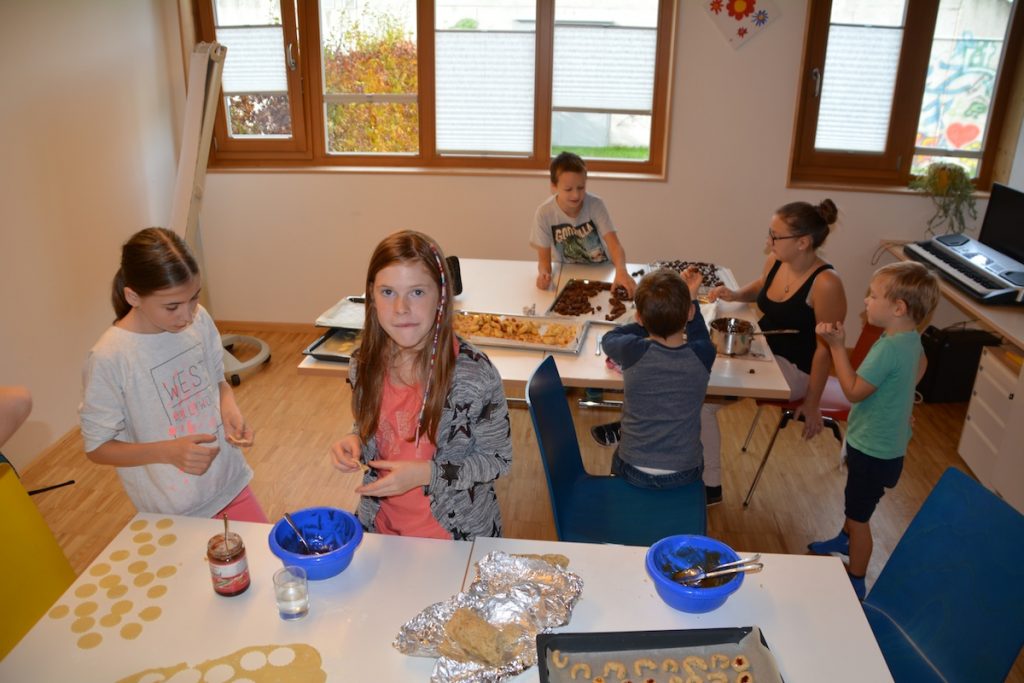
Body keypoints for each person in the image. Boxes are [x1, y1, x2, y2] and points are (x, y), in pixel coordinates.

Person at [329, 230, 513, 540]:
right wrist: (355, 440)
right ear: (371, 296)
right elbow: (376, 425)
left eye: (416, 292)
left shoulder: (474, 375)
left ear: (441, 296)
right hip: (381, 529)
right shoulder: (364, 364)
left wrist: (428, 473)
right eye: (388, 292)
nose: (401, 308)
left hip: (455, 538)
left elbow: (498, 460)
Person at [80, 227, 266, 522]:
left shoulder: (199, 320)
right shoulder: (110, 356)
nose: (187, 314)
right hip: (173, 509)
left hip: (230, 483)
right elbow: (98, 448)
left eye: (194, 298)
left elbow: (218, 382)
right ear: (133, 296)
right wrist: (167, 452)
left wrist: (229, 409)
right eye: (172, 306)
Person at [808, 261, 939, 600]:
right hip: (886, 446)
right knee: (858, 500)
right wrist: (900, 402)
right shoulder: (909, 339)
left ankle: (856, 578)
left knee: (861, 514)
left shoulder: (887, 348)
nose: (866, 300)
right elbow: (920, 366)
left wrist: (837, 347)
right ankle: (843, 536)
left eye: (874, 295)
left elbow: (852, 391)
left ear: (898, 308)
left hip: (872, 450)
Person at [706, 199, 847, 503]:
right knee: (700, 375)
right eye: (769, 233)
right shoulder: (777, 261)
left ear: (803, 243)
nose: (768, 242)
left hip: (794, 370)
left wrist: (812, 403)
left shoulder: (826, 284)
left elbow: (826, 351)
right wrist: (735, 293)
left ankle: (709, 486)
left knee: (703, 397)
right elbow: (760, 286)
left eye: (775, 236)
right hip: (762, 351)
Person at [600, 267, 716, 489]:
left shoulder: (632, 350)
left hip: (632, 468)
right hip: (683, 472)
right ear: (690, 314)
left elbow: (610, 338)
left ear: (639, 318)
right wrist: (691, 301)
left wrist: (649, 319)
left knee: (619, 455)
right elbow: (700, 334)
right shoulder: (703, 353)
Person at [531, 151, 636, 297]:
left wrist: (621, 271)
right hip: (567, 273)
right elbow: (544, 261)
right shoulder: (544, 213)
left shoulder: (596, 205)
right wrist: (544, 275)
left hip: (603, 270)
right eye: (568, 189)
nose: (576, 195)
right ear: (554, 186)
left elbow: (615, 246)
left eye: (581, 188)